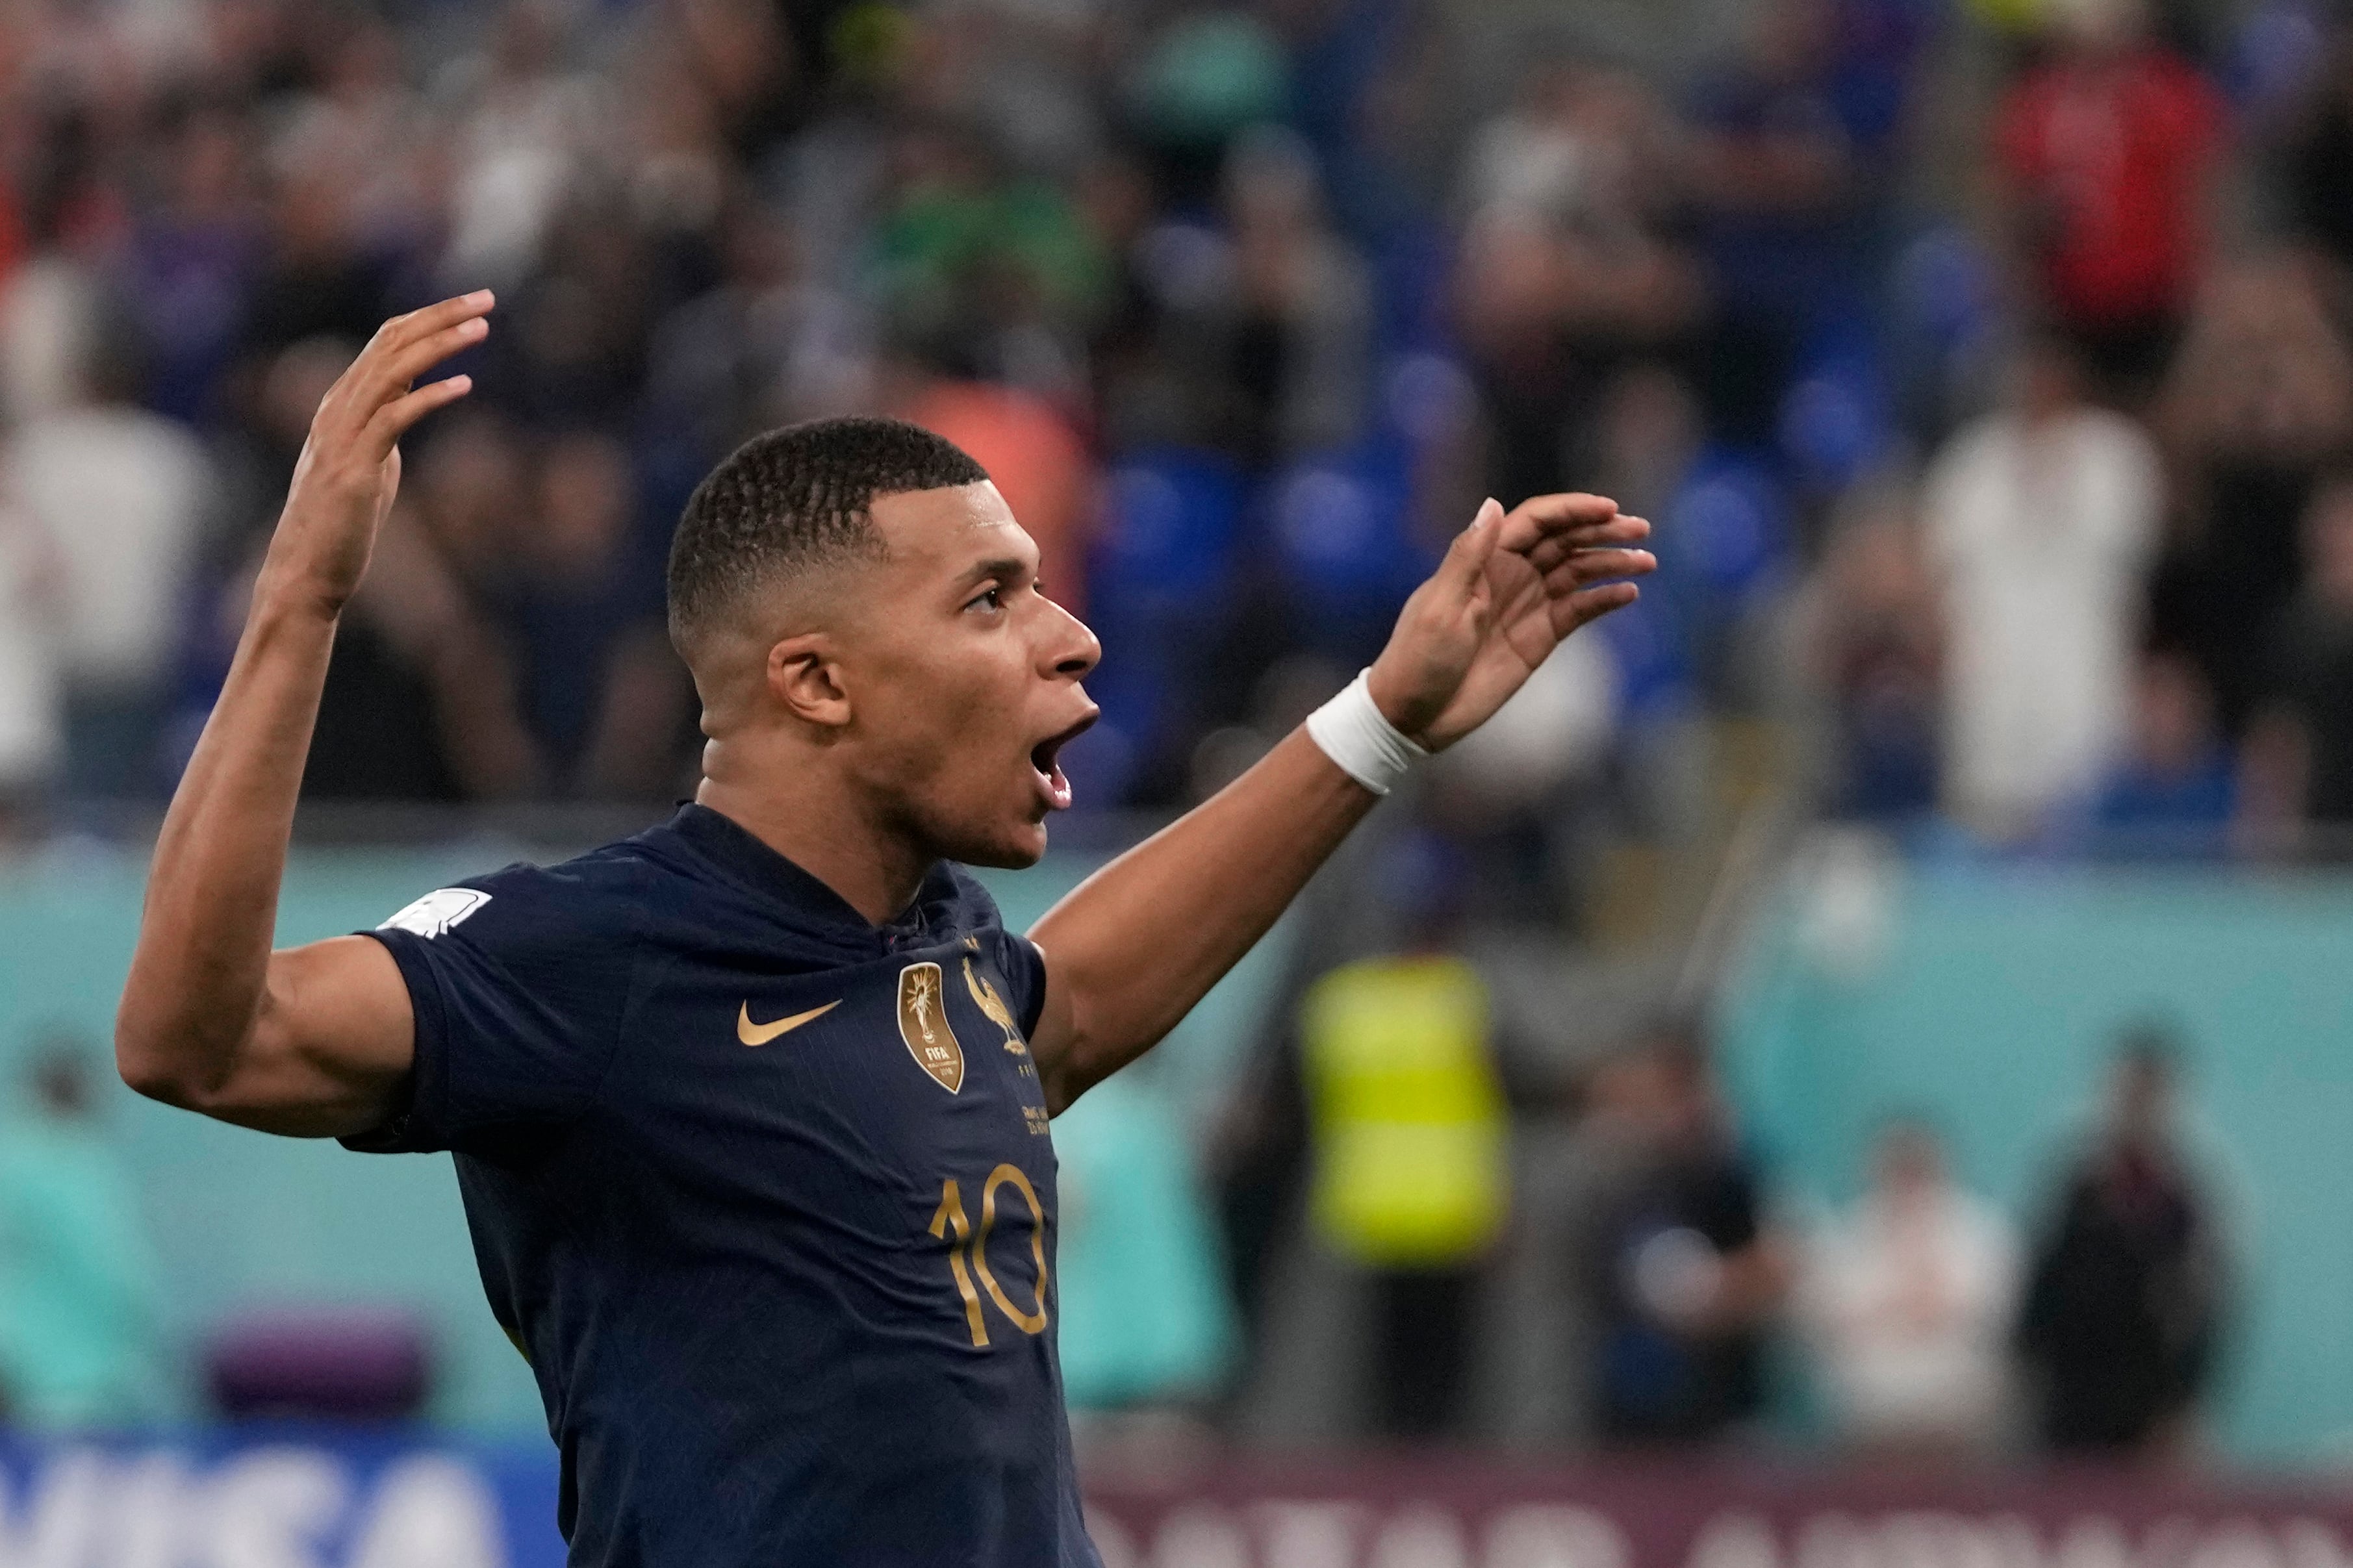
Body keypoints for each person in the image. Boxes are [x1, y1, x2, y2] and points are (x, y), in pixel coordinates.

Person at [111, 293, 1655, 1566]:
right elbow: (201, 1036)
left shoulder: (944, 948)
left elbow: (1077, 1000)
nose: (1072, 633)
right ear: (817, 681)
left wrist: (1384, 717)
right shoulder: (586, 956)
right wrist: (305, 597)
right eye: (991, 598)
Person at [2017, 1028, 2231, 1456]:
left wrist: (2185, 1403)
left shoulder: (2192, 1193)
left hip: (2152, 1398)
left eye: (2148, 1093)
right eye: (2128, 1091)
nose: (2137, 1105)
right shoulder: (2074, 1185)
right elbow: (2040, 1289)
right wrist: (2030, 1381)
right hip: (2070, 1397)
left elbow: (2207, 1307)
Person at [1799, 1119, 2022, 1456]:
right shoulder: (1851, 1233)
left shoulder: (1983, 1232)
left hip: (1961, 1413)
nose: (1908, 1179)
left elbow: (1999, 1313)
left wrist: (1923, 1303)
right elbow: (1826, 1314)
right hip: (1867, 1413)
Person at [0, 1041, 161, 1427]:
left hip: (15, 1369)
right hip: (69, 1382)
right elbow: (116, 1270)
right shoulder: (76, 1162)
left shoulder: (12, 1153)